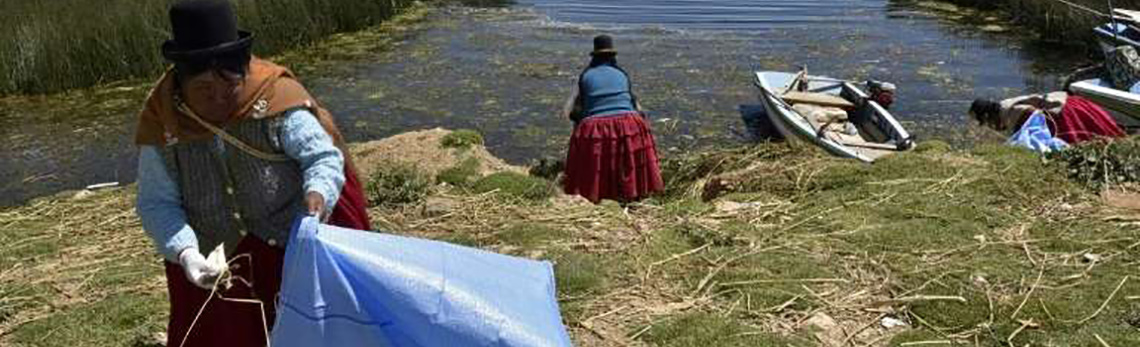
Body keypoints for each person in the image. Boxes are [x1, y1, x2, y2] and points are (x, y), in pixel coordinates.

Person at [133, 0, 370, 345]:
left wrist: (317, 197)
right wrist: (185, 253)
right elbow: (156, 202)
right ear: (182, 84)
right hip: (213, 263)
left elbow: (320, 158)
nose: (218, 100)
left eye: (229, 86)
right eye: (204, 90)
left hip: (288, 248)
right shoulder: (162, 123)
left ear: (244, 72)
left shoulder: (274, 98)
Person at [561, 35, 663, 204]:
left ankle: (596, 193)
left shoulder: (585, 76)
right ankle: (631, 194)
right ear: (612, 57)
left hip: (597, 126)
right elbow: (637, 107)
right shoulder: (622, 74)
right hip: (630, 123)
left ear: (594, 57)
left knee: (585, 137)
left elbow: (573, 112)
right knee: (627, 158)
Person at [969, 91, 1124, 144]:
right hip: (1067, 104)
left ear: (989, 116)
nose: (990, 126)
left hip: (1065, 110)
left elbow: (1041, 129)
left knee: (1087, 137)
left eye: (987, 122)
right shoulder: (1004, 108)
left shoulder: (1014, 113)